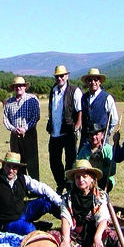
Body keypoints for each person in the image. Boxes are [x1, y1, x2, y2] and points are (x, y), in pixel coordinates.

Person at [50, 160, 123, 247]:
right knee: (52, 237)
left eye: (85, 176)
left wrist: (97, 238)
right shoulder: (68, 198)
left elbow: (103, 219)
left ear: (92, 178)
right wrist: (66, 239)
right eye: (77, 177)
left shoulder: (100, 196)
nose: (81, 180)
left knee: (115, 237)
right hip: (74, 236)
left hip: (96, 234)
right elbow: (65, 218)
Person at [0, 152, 61, 236]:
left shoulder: (22, 178)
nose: (11, 170)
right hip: (8, 221)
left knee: (48, 201)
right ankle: (38, 226)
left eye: (15, 167)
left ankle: (69, 222)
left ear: (18, 168)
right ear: (3, 165)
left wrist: (60, 203)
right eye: (8, 166)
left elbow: (42, 187)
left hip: (24, 211)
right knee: (29, 230)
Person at [47, 65, 82, 194]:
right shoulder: (53, 91)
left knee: (70, 160)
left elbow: (80, 110)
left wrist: (77, 126)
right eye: (57, 76)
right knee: (54, 161)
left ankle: (69, 186)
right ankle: (60, 185)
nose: (60, 78)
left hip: (68, 131)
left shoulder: (75, 90)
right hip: (54, 132)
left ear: (67, 76)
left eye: (62, 76)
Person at [3, 76, 40, 180]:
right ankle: (20, 185)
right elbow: (5, 119)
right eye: (16, 86)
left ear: (25, 87)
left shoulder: (32, 99)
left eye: (20, 85)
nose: (18, 88)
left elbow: (36, 116)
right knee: (16, 161)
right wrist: (13, 129)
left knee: (32, 162)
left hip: (29, 135)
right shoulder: (9, 102)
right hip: (14, 136)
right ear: (13, 88)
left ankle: (34, 187)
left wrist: (25, 128)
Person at [80, 68, 118, 150]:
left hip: (101, 140)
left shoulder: (107, 97)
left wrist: (106, 133)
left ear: (100, 81)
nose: (93, 82)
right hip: (86, 139)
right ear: (86, 82)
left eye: (95, 79)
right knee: (83, 162)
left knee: (102, 161)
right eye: (90, 80)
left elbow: (114, 119)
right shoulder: (83, 97)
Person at [77, 123, 116, 192]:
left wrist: (98, 174)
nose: (94, 137)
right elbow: (77, 164)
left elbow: (112, 169)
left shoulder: (108, 149)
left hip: (104, 179)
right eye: (91, 135)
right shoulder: (84, 150)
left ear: (102, 135)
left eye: (96, 134)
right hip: (87, 178)